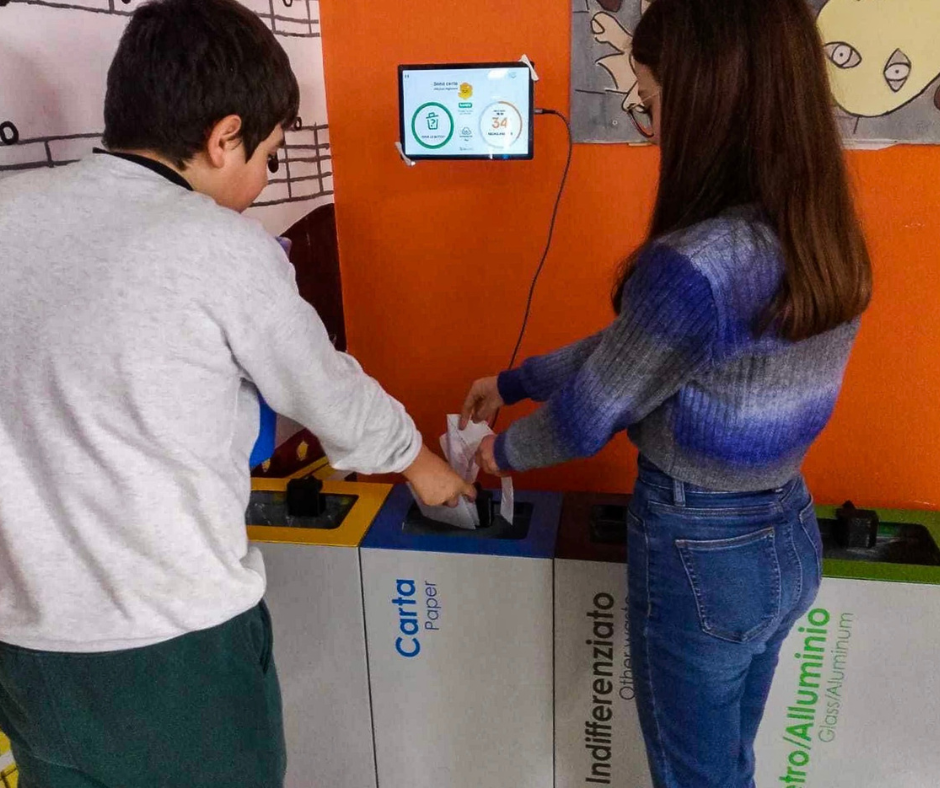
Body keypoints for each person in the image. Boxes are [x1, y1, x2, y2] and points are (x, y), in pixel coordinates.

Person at [0, 1, 473, 786]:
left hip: (28, 650)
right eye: (270, 157)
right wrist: (425, 466)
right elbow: (330, 394)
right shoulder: (216, 244)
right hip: (175, 647)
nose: (261, 183)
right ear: (225, 137)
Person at [461, 0, 872, 785]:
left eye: (651, 103)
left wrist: (495, 452)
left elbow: (587, 419)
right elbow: (638, 353)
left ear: (710, 97)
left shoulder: (697, 265)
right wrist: (513, 381)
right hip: (786, 531)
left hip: (702, 552)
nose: (650, 130)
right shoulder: (819, 233)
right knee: (729, 769)